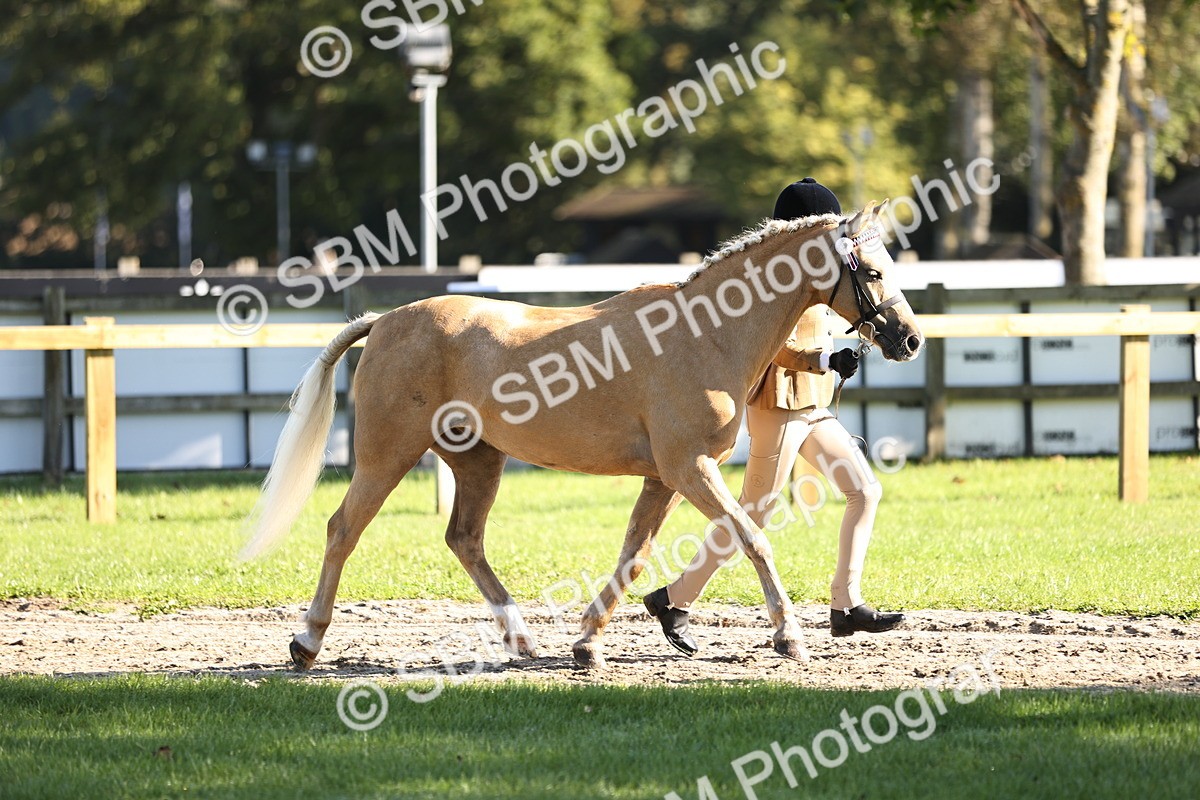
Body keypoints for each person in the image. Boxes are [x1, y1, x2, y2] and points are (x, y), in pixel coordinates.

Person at [643, 178, 905, 656]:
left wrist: (840, 356)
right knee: (754, 511)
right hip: (777, 405)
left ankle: (846, 605)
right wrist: (824, 361)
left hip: (814, 405)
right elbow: (769, 348)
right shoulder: (775, 279)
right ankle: (674, 599)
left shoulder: (824, 271)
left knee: (864, 490)